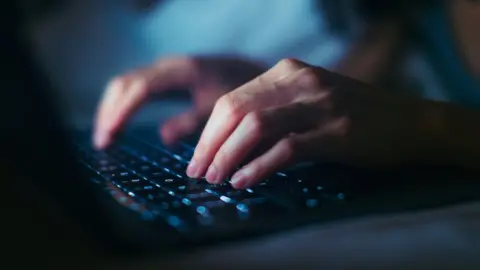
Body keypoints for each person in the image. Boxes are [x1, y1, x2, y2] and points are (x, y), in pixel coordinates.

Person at [94, 1, 480, 188]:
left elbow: (400, 117)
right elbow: (359, 100)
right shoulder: (404, 15)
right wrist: (261, 86)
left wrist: (426, 126)